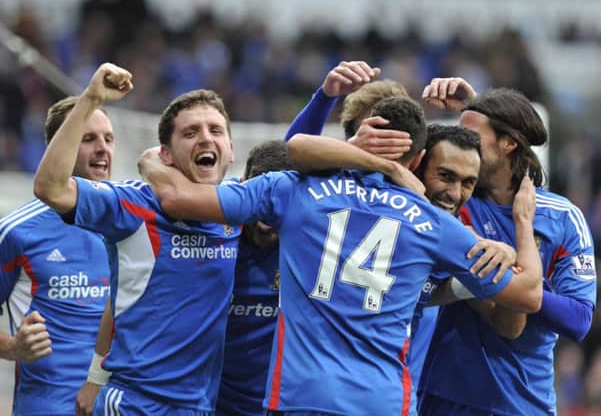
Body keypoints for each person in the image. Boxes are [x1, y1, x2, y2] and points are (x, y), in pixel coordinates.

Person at [139, 95, 543, 416]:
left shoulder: (293, 190)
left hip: (300, 394)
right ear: (418, 161)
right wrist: (522, 223)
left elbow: (178, 197)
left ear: (362, 138)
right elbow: (528, 297)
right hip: (382, 401)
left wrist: (152, 162)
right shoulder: (433, 224)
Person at [33, 63, 241, 416]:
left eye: (215, 130)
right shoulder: (133, 205)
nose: (206, 138)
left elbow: (285, 167)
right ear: (166, 155)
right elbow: (50, 187)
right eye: (190, 132)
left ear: (231, 150)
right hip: (136, 403)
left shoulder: (239, 211)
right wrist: (91, 99)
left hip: (202, 406)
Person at [418, 79, 597, 416]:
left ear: (509, 145)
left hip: (524, 401)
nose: (465, 145)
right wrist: (511, 286)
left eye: (475, 138)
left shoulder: (562, 217)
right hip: (445, 395)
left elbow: (578, 319)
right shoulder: (454, 202)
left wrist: (518, 286)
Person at [0, 95, 113, 415]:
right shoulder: (17, 231)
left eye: (108, 138)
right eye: (88, 139)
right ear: (57, 149)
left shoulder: (129, 223)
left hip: (119, 405)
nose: (103, 148)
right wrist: (13, 347)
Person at [216, 140, 294, 416]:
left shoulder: (307, 249)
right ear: (241, 187)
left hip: (279, 406)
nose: (266, 216)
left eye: (280, 201)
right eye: (261, 197)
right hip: (209, 403)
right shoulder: (211, 238)